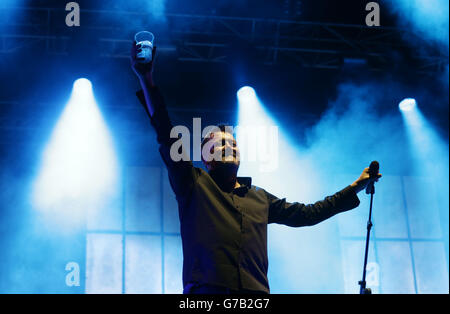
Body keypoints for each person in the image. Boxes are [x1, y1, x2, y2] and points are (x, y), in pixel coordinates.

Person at [130, 42, 381, 294]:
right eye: (221, 143)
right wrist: (146, 78)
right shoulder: (194, 185)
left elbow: (309, 214)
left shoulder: (260, 197)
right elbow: (165, 131)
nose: (230, 146)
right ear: (206, 158)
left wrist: (356, 186)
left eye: (233, 143)